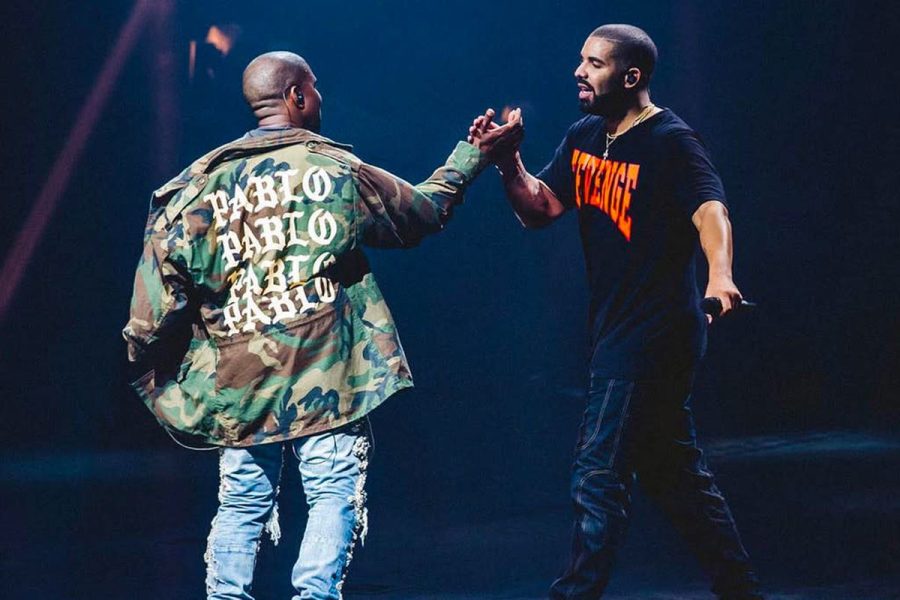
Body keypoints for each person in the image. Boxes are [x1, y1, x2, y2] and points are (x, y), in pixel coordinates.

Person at [123, 51, 521, 600]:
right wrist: (471, 156)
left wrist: (151, 371)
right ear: (297, 97)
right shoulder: (333, 171)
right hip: (327, 376)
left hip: (239, 379)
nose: (319, 98)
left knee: (241, 502)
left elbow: (153, 306)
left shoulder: (194, 190)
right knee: (331, 490)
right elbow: (422, 213)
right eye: (314, 88)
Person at [469, 24, 763, 600]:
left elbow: (711, 210)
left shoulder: (670, 140)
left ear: (631, 77)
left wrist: (721, 274)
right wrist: (508, 165)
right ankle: (741, 589)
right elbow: (542, 208)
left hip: (657, 331)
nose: (579, 71)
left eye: (595, 63)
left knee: (598, 474)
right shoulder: (585, 136)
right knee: (673, 474)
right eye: (580, 60)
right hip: (616, 328)